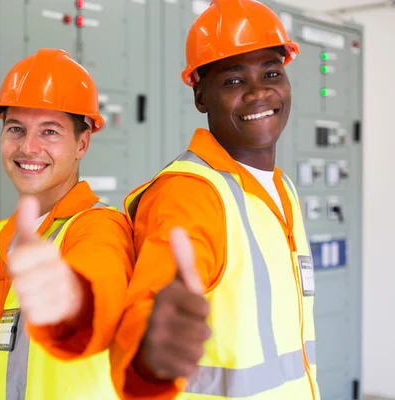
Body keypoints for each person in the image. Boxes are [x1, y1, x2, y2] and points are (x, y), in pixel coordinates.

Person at [109, 0, 321, 399]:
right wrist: (148, 347)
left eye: (271, 73)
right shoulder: (191, 193)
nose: (259, 92)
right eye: (233, 81)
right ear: (200, 97)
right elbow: (149, 313)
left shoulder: (283, 189)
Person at [0, 48, 135, 400]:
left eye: (49, 132)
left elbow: (99, 289)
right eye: (15, 129)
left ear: (82, 143)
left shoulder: (98, 229)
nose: (28, 147)